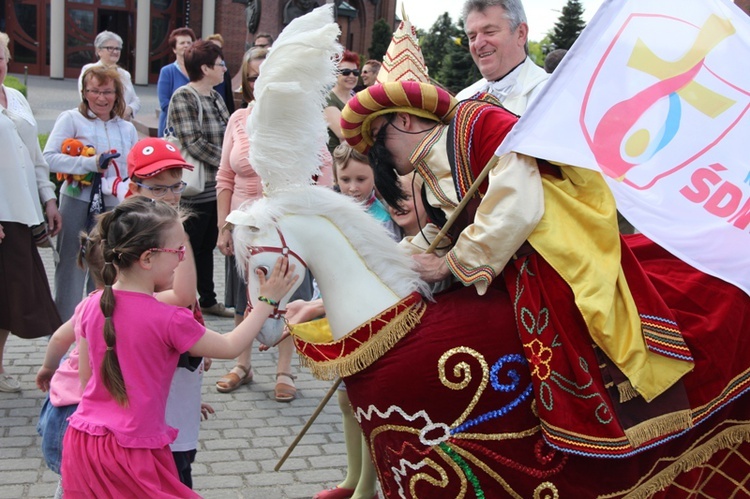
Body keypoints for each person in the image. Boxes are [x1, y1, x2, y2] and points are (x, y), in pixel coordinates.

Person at [341, 79, 699, 450]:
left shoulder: (477, 121)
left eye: (378, 137)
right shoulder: (431, 172)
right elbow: (436, 235)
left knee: (577, 318)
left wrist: (449, 265)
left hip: (552, 251)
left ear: (404, 118)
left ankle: (618, 421)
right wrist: (373, 270)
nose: (376, 153)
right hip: (505, 264)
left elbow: (516, 202)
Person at [59, 196, 299, 498]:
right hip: (133, 450)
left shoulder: (93, 305)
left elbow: (86, 383)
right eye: (178, 251)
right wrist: (266, 300)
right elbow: (229, 345)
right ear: (147, 258)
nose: (183, 257)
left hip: (83, 441)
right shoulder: (169, 318)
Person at [215, 47, 329, 398]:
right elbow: (224, 177)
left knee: (289, 296)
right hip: (245, 228)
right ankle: (242, 364)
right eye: (254, 76)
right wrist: (224, 226)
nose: (261, 82)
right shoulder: (238, 120)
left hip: (288, 232)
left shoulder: (306, 120)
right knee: (240, 300)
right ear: (247, 82)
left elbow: (324, 178)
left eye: (269, 76)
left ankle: (285, 371)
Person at [312, 143, 398, 499]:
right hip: (341, 314)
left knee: (367, 402)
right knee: (346, 401)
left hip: (374, 317)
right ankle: (351, 478)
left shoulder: (386, 215)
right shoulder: (332, 211)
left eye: (361, 179)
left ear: (375, 174)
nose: (351, 187)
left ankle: (368, 486)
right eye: (345, 178)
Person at [44, 64, 138, 323]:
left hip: (111, 207)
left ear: (117, 94)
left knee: (105, 267)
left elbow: (133, 168)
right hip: (76, 199)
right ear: (84, 92)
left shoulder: (126, 128)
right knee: (70, 268)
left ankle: (96, 327)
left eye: (107, 91)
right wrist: (90, 164)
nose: (101, 98)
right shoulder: (71, 118)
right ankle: (64, 333)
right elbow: (49, 158)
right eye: (94, 91)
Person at [0, 31, 62, 392]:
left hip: (20, 213)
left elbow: (34, 157)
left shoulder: (17, 98)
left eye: (2, 58)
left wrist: (48, 198)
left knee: (10, 298)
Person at [35, 229, 103, 498]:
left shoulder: (88, 304)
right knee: (86, 481)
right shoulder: (126, 306)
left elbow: (59, 338)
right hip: (84, 413)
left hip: (58, 407)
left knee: (69, 479)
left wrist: (48, 368)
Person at [167, 40, 232, 317]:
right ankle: (183, 302)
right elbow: (192, 142)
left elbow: (230, 135)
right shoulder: (184, 96)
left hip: (213, 189)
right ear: (205, 68)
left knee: (206, 248)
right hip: (192, 190)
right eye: (220, 64)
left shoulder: (216, 97)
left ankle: (207, 300)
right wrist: (228, 162)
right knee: (186, 249)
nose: (225, 69)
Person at [455, 0, 549, 114]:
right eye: (472, 37)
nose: (478, 44)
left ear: (521, 34)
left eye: (489, 32)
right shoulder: (462, 100)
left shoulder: (548, 94)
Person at [77, 30, 141, 120]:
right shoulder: (90, 71)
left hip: (122, 123)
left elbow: (136, 100)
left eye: (117, 48)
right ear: (99, 51)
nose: (115, 51)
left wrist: (129, 109)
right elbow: (86, 98)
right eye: (110, 48)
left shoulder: (124, 74)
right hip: (97, 122)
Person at [156, 27, 196, 137]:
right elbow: (164, 103)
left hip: (194, 128)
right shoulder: (167, 71)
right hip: (172, 129)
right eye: (182, 43)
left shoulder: (199, 70)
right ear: (174, 49)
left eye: (189, 42)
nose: (186, 45)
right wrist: (188, 114)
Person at [325, 50, 360, 154]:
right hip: (335, 162)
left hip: (356, 158)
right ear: (334, 74)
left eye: (355, 72)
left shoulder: (358, 99)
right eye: (345, 72)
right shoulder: (328, 100)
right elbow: (343, 133)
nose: (351, 76)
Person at [205, 34, 236, 115]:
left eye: (219, 49)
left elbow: (228, 95)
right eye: (213, 48)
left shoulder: (225, 71)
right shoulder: (201, 69)